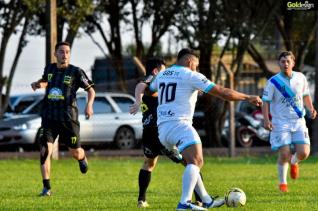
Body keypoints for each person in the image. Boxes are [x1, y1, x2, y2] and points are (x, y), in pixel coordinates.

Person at [149, 48, 262, 210]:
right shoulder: (191, 75)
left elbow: (150, 89)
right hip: (179, 125)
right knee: (197, 160)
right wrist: (248, 97)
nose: (197, 67)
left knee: (190, 162)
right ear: (189, 61)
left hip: (163, 129)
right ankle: (184, 203)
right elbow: (223, 93)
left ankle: (206, 199)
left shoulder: (163, 74)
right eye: (196, 64)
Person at [130, 58, 204, 208]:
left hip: (149, 132)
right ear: (156, 71)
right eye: (164, 70)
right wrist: (137, 101)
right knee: (192, 162)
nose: (167, 73)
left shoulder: (159, 84)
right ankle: (200, 199)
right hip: (163, 130)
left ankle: (141, 200)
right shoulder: (153, 79)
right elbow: (140, 86)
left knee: (149, 163)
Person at [31, 41, 95, 196]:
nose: (64, 55)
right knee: (45, 150)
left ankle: (82, 158)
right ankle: (46, 188)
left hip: (68, 119)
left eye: (67, 52)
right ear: (55, 54)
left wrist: (89, 106)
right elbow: (46, 80)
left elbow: (91, 90)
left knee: (75, 152)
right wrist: (38, 83)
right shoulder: (50, 68)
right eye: (61, 52)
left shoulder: (76, 72)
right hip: (49, 117)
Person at [262, 51, 316, 193]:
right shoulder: (273, 82)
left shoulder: (301, 77)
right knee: (284, 154)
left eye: (288, 61)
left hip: (298, 121)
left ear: (293, 63)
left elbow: (306, 95)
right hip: (280, 123)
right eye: (282, 61)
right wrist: (266, 120)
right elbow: (265, 102)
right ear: (279, 64)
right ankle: (283, 183)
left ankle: (294, 162)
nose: (285, 63)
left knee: (304, 153)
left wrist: (311, 108)